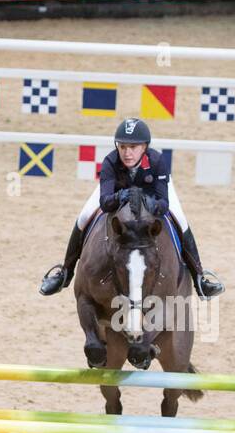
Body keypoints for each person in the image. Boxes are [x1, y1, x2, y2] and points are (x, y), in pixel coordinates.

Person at [38, 118, 225, 299]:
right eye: (122, 147)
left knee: (180, 219)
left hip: (152, 193)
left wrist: (154, 205)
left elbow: (164, 204)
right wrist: (119, 196)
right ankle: (65, 273)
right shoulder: (110, 162)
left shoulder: (157, 161)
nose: (127, 153)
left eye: (133, 147)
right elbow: (105, 203)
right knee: (84, 216)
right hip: (118, 193)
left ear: (144, 147)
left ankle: (200, 278)